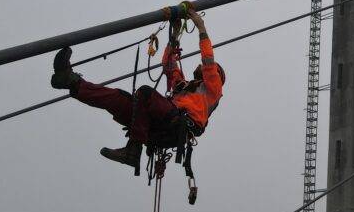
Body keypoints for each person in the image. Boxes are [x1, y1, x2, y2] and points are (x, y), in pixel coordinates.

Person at [51, 9, 225, 168]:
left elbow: (208, 60)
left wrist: (200, 27)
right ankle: (70, 81)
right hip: (160, 122)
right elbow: (169, 66)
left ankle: (133, 151)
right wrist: (175, 36)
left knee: (145, 93)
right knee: (118, 99)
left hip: (176, 126)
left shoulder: (213, 90)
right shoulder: (184, 87)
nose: (201, 67)